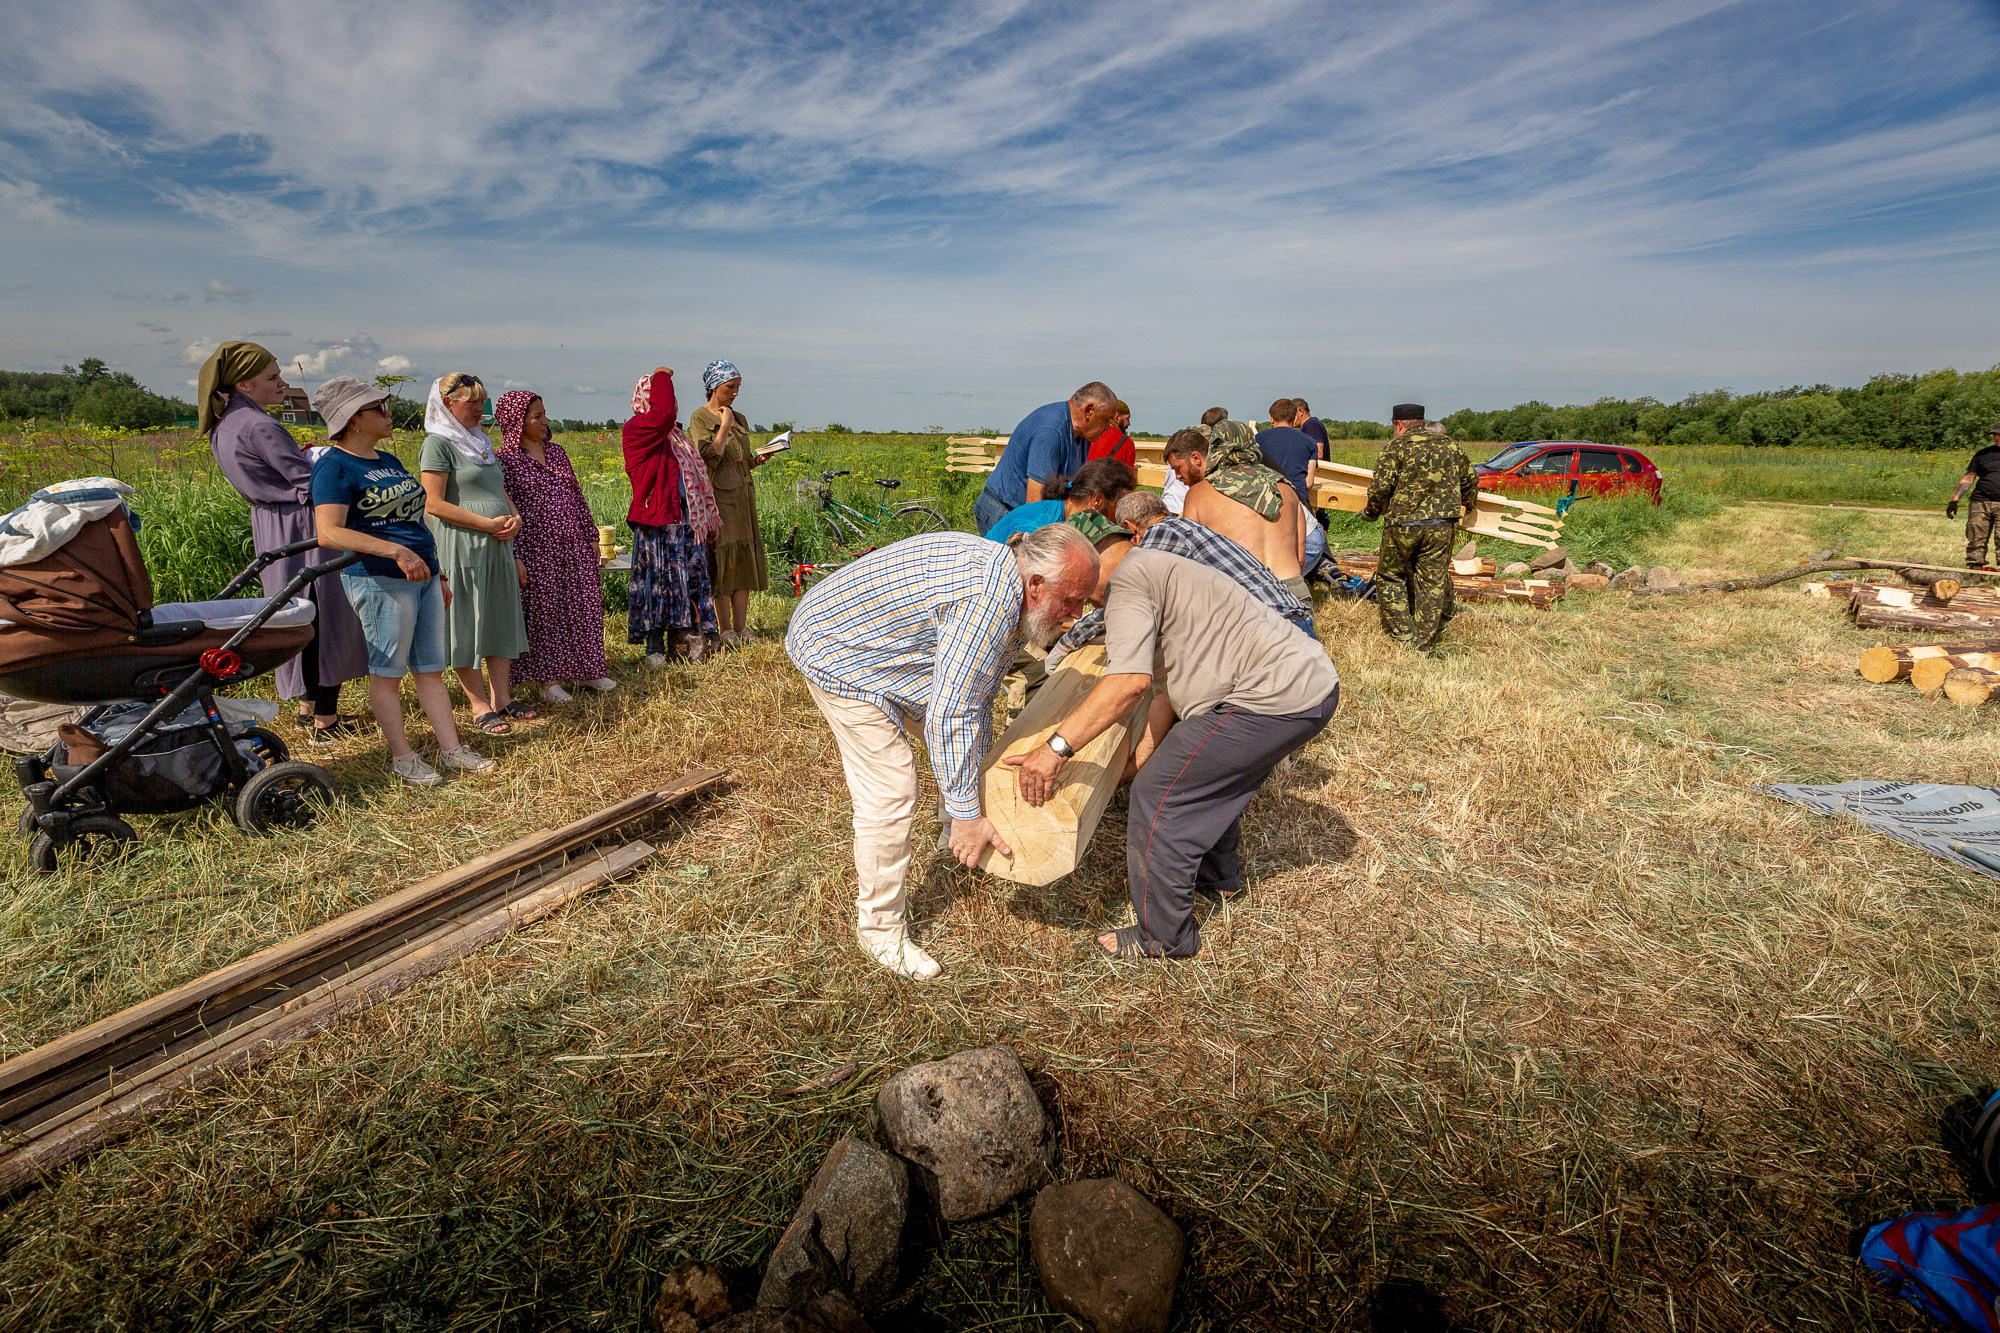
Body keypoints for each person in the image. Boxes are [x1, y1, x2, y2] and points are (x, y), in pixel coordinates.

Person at [785, 526, 1100, 979]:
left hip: (877, 643)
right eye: (1070, 601)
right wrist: (969, 812)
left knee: (969, 736)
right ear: (1035, 585)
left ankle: (952, 832)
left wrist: (963, 802)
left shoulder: (1010, 580)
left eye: (1083, 603)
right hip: (836, 651)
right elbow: (953, 714)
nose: (1074, 614)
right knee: (891, 791)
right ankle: (880, 930)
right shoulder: (985, 605)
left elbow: (971, 702)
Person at [1003, 546, 1339, 959]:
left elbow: (1130, 683)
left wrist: (1055, 749)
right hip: (1309, 688)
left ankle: (1163, 936)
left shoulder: (1127, 588)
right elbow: (1163, 688)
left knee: (1159, 795)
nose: (1075, 611)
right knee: (1204, 778)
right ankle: (1217, 879)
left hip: (1273, 698)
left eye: (1076, 597)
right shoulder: (1156, 573)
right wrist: (1138, 759)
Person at [309, 375, 492, 786]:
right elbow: (329, 532)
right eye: (380, 409)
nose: (389, 416)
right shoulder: (333, 466)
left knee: (430, 668)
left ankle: (452, 749)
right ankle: (403, 757)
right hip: (380, 579)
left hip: (423, 574)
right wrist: (393, 551)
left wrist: (438, 572)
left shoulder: (387, 462)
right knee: (388, 672)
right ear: (353, 420)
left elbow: (415, 519)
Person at [202, 341, 367, 740]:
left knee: (298, 612)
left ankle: (308, 708)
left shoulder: (227, 424)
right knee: (325, 616)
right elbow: (306, 483)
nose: (283, 384)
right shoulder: (260, 426)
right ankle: (325, 719)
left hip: (271, 523)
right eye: (273, 377)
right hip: (302, 524)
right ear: (243, 383)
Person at [1049, 493, 1315, 667]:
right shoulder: (1189, 529)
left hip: (1274, 635)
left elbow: (1127, 604)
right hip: (1295, 622)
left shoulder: (1162, 537)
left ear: (1132, 529)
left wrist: (1067, 643)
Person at [419, 373, 534, 734]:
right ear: (447, 404)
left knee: (499, 618)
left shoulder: (481, 441)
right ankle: (478, 703)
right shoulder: (438, 443)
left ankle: (502, 696)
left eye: (482, 402)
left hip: (499, 543)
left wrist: (514, 520)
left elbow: (497, 490)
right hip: (462, 544)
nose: (479, 410)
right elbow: (433, 503)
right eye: (471, 403)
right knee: (466, 621)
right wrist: (485, 524)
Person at [493, 389, 616, 703]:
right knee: (546, 613)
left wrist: (590, 535)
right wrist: (516, 556)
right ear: (516, 421)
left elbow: (576, 495)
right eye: (537, 416)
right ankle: (550, 682)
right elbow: (504, 510)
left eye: (544, 414)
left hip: (573, 543)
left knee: (583, 606)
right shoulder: (504, 460)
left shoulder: (558, 452)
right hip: (536, 549)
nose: (545, 421)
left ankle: (589, 670)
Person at [623, 368, 722, 665]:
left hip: (685, 524)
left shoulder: (675, 437)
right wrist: (661, 375)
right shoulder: (638, 429)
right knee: (658, 587)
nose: (667, 405)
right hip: (658, 525)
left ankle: (684, 643)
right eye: (657, 399)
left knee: (686, 587)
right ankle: (654, 649)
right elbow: (663, 414)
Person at [1361, 404, 1478, 651]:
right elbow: (1470, 479)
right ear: (1421, 422)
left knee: (1390, 575)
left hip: (1403, 524)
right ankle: (1424, 642)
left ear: (1399, 425)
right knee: (1432, 580)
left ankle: (1404, 636)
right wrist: (1468, 505)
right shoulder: (1450, 445)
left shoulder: (1396, 447)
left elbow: (1380, 488)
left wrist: (1371, 512)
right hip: (1441, 525)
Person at [1165, 428, 1311, 606]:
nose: (1177, 476)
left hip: (1244, 598)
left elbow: (1189, 563)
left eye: (1177, 469)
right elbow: (1300, 558)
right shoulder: (1287, 489)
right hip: (1294, 593)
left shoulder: (1198, 494)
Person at [688, 360, 770, 646]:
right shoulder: (700, 418)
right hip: (719, 500)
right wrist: (723, 425)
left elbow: (738, 459)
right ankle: (724, 630)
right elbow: (710, 456)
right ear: (714, 387)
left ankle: (741, 627)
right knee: (723, 560)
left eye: (738, 388)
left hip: (743, 496)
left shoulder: (740, 418)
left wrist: (756, 461)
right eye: (730, 387)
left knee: (743, 560)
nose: (735, 393)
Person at [974, 383, 1121, 534]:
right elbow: (1036, 504)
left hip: (1024, 511)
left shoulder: (1083, 435)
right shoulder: (1050, 431)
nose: (1108, 428)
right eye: (1106, 420)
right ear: (1089, 410)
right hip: (1003, 509)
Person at [980, 458, 1136, 542]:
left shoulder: (1062, 515)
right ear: (1098, 500)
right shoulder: (1039, 529)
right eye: (1120, 505)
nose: (1122, 516)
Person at [1256, 398, 1327, 577]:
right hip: (1299, 507)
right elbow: (1308, 483)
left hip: (1267, 509)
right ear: (1294, 417)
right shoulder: (1308, 442)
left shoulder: (1258, 441)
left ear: (1271, 419)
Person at [1948, 421, 2000, 570]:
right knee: (1976, 537)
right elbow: (1969, 477)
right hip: (1980, 502)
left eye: (1999, 434)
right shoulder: (1983, 454)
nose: (1997, 437)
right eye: (1995, 434)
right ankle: (1975, 571)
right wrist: (1954, 500)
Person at [1088, 399, 1137, 467]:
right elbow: (1128, 474)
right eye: (1127, 418)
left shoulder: (1088, 434)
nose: (1128, 424)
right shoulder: (1127, 443)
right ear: (1116, 417)